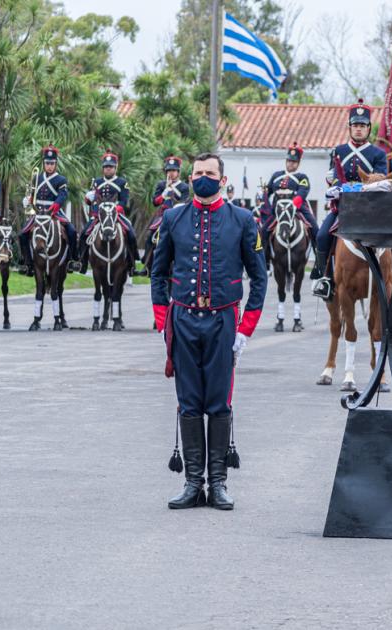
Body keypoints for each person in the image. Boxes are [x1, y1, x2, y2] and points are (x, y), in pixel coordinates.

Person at [151, 152, 267, 511]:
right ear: (189, 179)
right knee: (188, 402)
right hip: (183, 319)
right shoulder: (172, 218)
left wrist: (245, 328)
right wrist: (161, 322)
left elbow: (259, 278)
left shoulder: (243, 219)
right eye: (198, 173)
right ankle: (192, 483)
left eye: (210, 173)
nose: (203, 177)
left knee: (218, 401)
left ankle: (217, 484)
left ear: (222, 179)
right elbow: (158, 273)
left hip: (223, 321)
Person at [311, 99, 388, 301]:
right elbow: (333, 175)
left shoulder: (378, 154)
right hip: (344, 207)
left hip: (371, 207)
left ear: (369, 128)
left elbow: (381, 179)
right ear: (349, 127)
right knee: (321, 236)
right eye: (355, 125)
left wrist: (361, 187)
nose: (359, 129)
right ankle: (324, 278)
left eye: (363, 126)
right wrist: (336, 184)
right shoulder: (339, 151)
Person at [19, 145, 79, 275]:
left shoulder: (61, 179)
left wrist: (55, 206)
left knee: (72, 231)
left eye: (52, 163)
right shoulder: (37, 178)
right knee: (22, 234)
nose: (49, 166)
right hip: (38, 212)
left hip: (54, 212)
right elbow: (32, 195)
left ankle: (72, 260)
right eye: (47, 163)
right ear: (43, 163)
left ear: (56, 164)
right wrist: (27, 200)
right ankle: (27, 263)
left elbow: (63, 195)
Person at [79, 151, 140, 274]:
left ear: (115, 168)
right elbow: (91, 202)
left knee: (131, 234)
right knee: (84, 234)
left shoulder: (122, 183)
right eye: (106, 167)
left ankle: (132, 264)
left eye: (111, 167)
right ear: (103, 168)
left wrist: (112, 211)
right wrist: (88, 198)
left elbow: (123, 201)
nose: (108, 169)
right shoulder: (96, 182)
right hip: (98, 216)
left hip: (115, 215)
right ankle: (83, 262)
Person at [144, 156, 191, 267]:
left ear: (178, 172)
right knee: (150, 236)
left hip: (179, 216)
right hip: (163, 216)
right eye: (169, 170)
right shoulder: (161, 185)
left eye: (174, 170)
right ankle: (147, 264)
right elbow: (155, 202)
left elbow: (185, 201)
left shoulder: (184, 186)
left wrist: (172, 188)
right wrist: (164, 193)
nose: (171, 173)